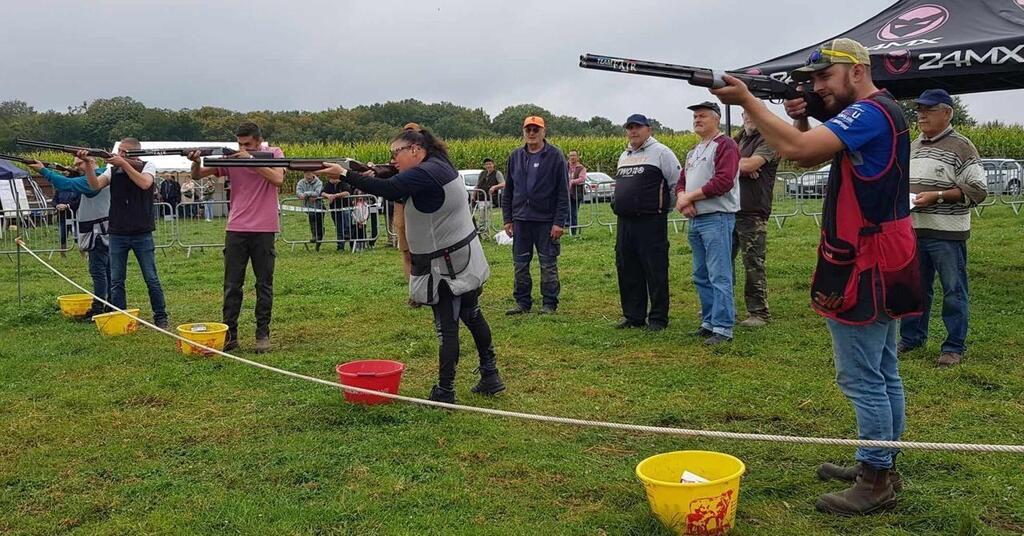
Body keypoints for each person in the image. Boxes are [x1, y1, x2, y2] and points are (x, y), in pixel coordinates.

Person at [711, 37, 924, 515]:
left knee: (862, 375)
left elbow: (797, 147)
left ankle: (876, 477)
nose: (819, 86)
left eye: (825, 77)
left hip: (865, 259)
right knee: (883, 367)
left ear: (856, 71)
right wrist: (802, 116)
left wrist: (748, 99)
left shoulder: (870, 113)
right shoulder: (879, 112)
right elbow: (806, 155)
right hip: (880, 252)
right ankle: (880, 462)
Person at [316, 127, 504, 404]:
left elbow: (390, 189)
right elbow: (397, 181)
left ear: (415, 150)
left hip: (446, 264)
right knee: (471, 314)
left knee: (447, 327)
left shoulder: (426, 171)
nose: (393, 159)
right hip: (463, 256)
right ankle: (490, 374)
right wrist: (375, 172)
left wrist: (345, 174)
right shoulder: (437, 166)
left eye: (396, 153)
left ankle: (445, 391)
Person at [899, 89, 988, 367]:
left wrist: (937, 196)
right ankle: (912, 338)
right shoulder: (913, 146)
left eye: (928, 109)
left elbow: (978, 189)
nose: (921, 115)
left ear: (947, 112)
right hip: (915, 230)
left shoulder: (962, 146)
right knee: (915, 289)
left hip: (947, 233)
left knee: (953, 290)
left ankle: (953, 347)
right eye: (918, 110)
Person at [187, 122, 284, 353]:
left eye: (247, 144)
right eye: (239, 144)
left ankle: (263, 334)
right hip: (236, 228)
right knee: (232, 285)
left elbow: (278, 179)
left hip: (264, 229)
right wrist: (195, 162)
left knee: (264, 284)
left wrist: (250, 160)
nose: (242, 147)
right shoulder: (231, 158)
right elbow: (199, 175)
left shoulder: (274, 153)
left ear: (259, 142)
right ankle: (230, 335)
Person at [82, 138, 169, 329]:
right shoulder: (111, 169)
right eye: (119, 151)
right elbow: (95, 185)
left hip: (141, 231)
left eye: (124, 152)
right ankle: (119, 316)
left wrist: (124, 164)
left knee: (151, 278)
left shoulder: (147, 165)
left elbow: (145, 183)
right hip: (117, 232)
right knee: (116, 279)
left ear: (135, 154)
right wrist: (88, 165)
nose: (119, 154)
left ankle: (161, 317)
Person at [675, 101, 740, 345]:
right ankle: (709, 320)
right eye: (695, 117)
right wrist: (683, 198)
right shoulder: (694, 151)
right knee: (701, 273)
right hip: (697, 218)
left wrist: (690, 197)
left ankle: (723, 327)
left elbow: (723, 181)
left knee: (719, 273)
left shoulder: (726, 145)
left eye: (702, 116)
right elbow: (682, 180)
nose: (697, 120)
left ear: (717, 119)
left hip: (717, 218)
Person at [611, 114, 681, 331]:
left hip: (651, 221)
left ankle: (658, 318)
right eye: (629, 128)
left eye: (637, 127)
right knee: (627, 268)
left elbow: (676, 183)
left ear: (648, 129)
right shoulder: (624, 155)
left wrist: (663, 209)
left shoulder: (661, 152)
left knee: (655, 269)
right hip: (625, 222)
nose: (633, 131)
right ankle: (633, 316)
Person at [501, 116, 569, 315]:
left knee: (548, 263)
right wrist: (507, 219)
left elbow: (563, 193)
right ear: (523, 132)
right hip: (521, 220)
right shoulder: (515, 156)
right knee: (520, 264)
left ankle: (549, 303)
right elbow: (509, 191)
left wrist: (559, 222)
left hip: (546, 221)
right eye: (528, 129)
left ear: (543, 131)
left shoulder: (555, 155)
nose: (532, 133)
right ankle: (522, 302)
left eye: (535, 129)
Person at [31, 157, 110, 318]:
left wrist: (43, 171)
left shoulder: (99, 176)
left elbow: (68, 185)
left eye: (80, 163)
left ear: (91, 161)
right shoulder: (103, 174)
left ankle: (99, 307)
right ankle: (111, 304)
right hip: (101, 230)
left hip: (97, 232)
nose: (77, 167)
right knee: (107, 271)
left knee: (98, 272)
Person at [732, 103, 781, 327]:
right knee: (723, 262)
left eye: (753, 113)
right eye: (746, 113)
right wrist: (740, 167)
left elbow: (751, 163)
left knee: (753, 263)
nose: (749, 117)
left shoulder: (769, 138)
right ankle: (725, 308)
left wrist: (744, 165)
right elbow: (720, 162)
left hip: (753, 211)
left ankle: (759, 313)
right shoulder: (739, 138)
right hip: (729, 209)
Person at [322, 173, 353, 252]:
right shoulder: (329, 184)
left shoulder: (344, 183)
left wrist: (336, 195)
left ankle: (351, 242)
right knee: (339, 228)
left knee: (348, 225)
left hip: (346, 207)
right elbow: (322, 193)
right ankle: (340, 246)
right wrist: (328, 196)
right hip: (335, 209)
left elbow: (347, 192)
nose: (331, 179)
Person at [296, 172, 325, 251]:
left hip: (319, 207)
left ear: (313, 174)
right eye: (306, 174)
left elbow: (317, 193)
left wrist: (305, 194)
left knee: (319, 224)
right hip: (309, 207)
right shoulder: (301, 182)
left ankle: (318, 242)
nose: (308, 176)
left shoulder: (319, 182)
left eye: (309, 174)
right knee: (312, 220)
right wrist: (302, 195)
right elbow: (298, 192)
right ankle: (314, 236)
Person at [474, 158, 504, 234]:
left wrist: (495, 187)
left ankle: (483, 230)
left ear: (493, 164)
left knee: (483, 210)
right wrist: (473, 194)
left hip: (491, 199)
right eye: (486, 164)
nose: (488, 165)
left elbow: (503, 183)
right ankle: (480, 230)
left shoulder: (497, 173)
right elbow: (477, 185)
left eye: (490, 164)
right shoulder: (482, 173)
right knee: (476, 212)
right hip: (480, 198)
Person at [52, 186, 80, 256]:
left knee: (78, 236)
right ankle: (63, 255)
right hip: (62, 218)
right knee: (62, 236)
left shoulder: (76, 188)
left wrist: (67, 206)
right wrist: (57, 206)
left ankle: (83, 255)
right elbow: (54, 201)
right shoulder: (59, 189)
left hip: (75, 217)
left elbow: (78, 202)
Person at [566, 150, 588, 236]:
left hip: (576, 193)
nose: (572, 157)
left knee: (574, 213)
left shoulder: (581, 168)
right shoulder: (565, 166)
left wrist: (572, 181)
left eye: (574, 155)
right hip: (565, 193)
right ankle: (567, 227)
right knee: (566, 211)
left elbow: (582, 178)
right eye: (571, 155)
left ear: (577, 157)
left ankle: (574, 231)